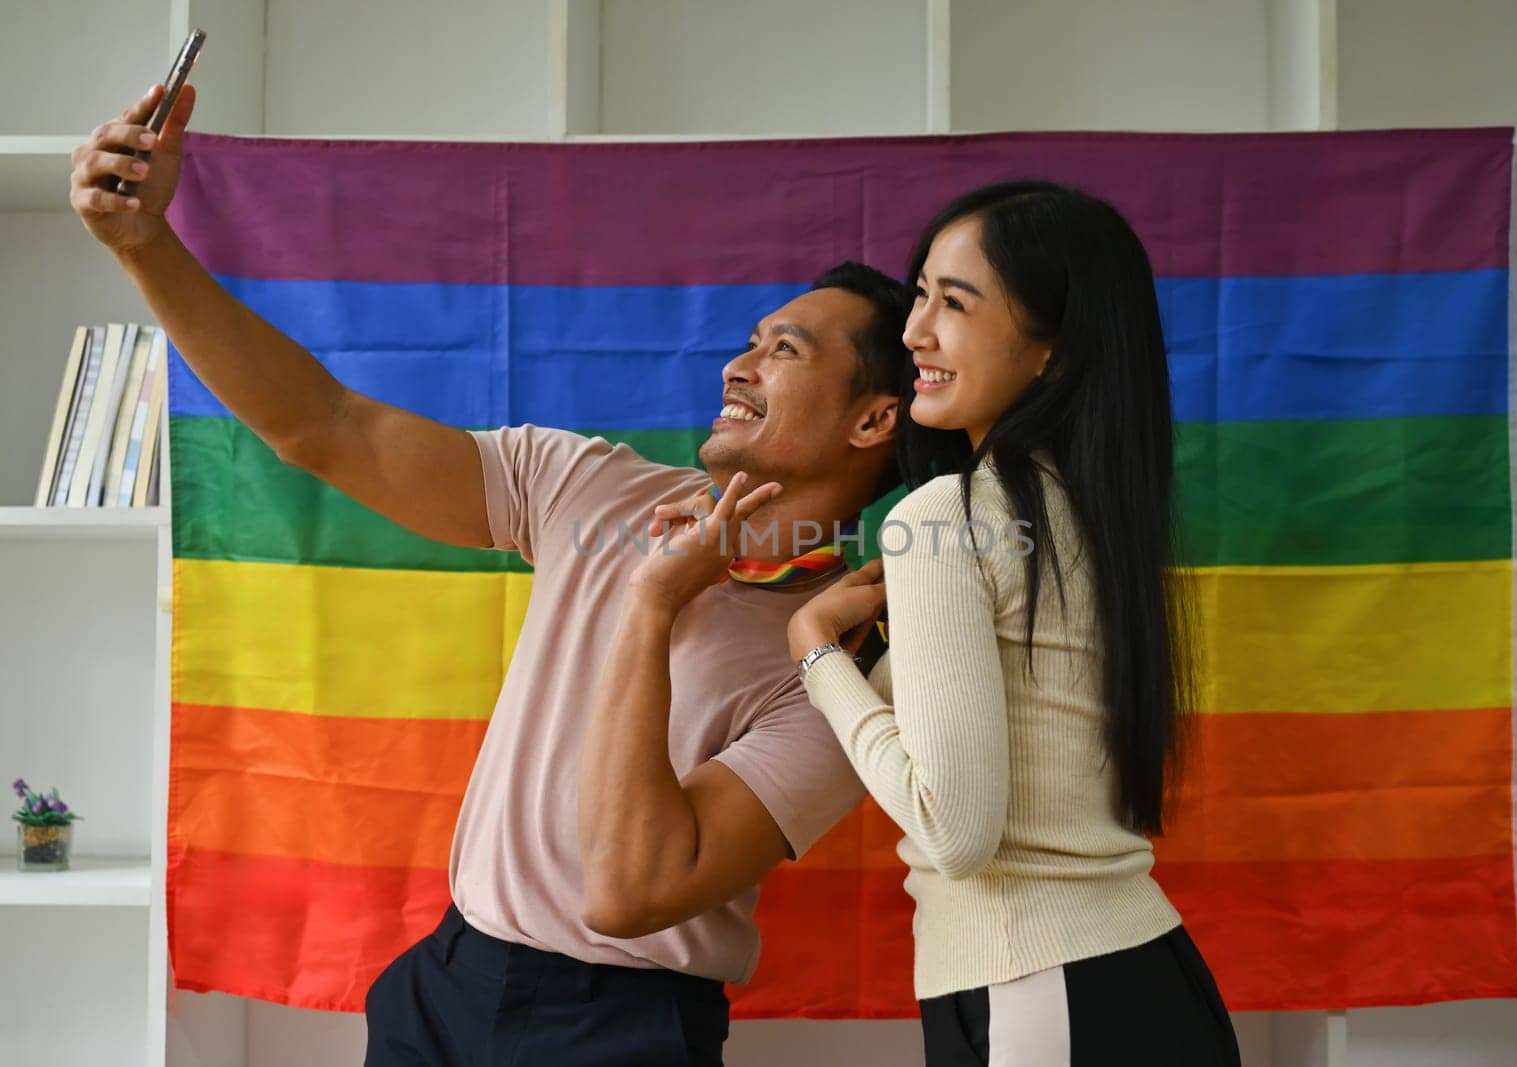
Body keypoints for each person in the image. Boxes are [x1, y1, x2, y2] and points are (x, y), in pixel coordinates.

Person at [69, 82, 913, 1066]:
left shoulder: (846, 669)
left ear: (871, 420)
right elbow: (326, 428)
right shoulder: (588, 484)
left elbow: (632, 891)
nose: (738, 364)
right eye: (748, 339)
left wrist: (650, 604)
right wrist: (142, 243)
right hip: (445, 983)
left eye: (783, 350)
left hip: (621, 1027)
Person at [785, 182, 1243, 1065]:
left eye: (954, 303)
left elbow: (956, 833)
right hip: (1140, 974)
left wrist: (814, 654)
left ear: (1051, 352)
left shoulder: (941, 516)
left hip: (1038, 990)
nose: (914, 330)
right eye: (921, 292)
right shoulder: (1093, 511)